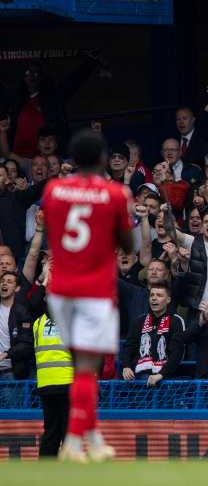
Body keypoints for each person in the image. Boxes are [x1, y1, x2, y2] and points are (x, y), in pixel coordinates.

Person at [42, 129, 135, 462]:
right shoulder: (115, 193)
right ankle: (72, 441)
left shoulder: (52, 190)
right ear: (102, 159)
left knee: (77, 366)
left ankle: (93, 439)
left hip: (60, 288)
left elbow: (53, 233)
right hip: (95, 290)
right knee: (87, 369)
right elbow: (128, 245)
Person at [121, 283, 186, 386]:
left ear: (168, 300)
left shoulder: (176, 321)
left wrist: (161, 374)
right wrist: (126, 366)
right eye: (152, 295)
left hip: (166, 379)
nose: (154, 299)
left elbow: (177, 353)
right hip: (138, 379)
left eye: (159, 295)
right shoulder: (139, 321)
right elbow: (129, 347)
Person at [33, 309, 73, 457]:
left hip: (45, 383)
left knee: (50, 431)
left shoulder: (38, 323)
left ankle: (45, 472)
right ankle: (70, 471)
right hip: (66, 381)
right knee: (68, 431)